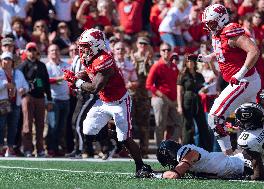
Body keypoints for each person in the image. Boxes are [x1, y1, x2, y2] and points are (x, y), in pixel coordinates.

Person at [63, 28, 152, 176]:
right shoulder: (91, 56)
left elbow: (95, 87)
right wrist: (79, 75)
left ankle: (141, 166)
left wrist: (77, 82)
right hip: (104, 101)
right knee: (88, 131)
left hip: (120, 102)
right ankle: (112, 140)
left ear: (96, 45)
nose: (82, 48)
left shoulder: (105, 59)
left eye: (86, 45)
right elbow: (91, 73)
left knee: (125, 138)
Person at [195, 4, 261, 155]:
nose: (209, 26)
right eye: (207, 23)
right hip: (246, 81)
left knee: (215, 118)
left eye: (211, 22)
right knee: (250, 123)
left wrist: (240, 73)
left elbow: (254, 51)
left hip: (244, 81)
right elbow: (222, 50)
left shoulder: (230, 30)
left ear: (221, 19)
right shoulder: (218, 33)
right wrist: (207, 58)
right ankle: (253, 158)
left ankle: (228, 157)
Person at [151, 140, 255, 179]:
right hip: (240, 163)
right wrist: (152, 172)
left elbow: (174, 174)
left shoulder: (184, 152)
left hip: (245, 164)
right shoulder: (186, 150)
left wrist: (153, 175)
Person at [18, 42, 53, 157]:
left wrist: (49, 99)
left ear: (37, 52)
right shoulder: (22, 66)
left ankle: (40, 149)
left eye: (34, 50)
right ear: (26, 52)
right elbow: (20, 83)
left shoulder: (42, 65)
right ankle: (28, 149)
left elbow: (46, 83)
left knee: (40, 125)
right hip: (28, 97)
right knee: (27, 124)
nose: (32, 53)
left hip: (40, 97)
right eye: (30, 50)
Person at [146, 42, 181, 147]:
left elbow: (178, 83)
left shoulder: (174, 66)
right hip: (160, 99)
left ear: (171, 51)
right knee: (160, 125)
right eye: (163, 50)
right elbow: (149, 85)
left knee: (179, 124)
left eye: (168, 50)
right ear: (160, 52)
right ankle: (160, 149)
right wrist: (161, 95)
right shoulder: (156, 66)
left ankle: (170, 146)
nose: (166, 52)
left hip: (173, 100)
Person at [177, 54, 211, 151]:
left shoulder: (199, 75)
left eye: (192, 61)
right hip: (187, 101)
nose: (190, 63)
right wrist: (179, 106)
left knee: (203, 125)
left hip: (198, 100)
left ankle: (206, 149)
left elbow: (204, 88)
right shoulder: (182, 75)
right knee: (187, 125)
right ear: (185, 63)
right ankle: (186, 149)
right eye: (188, 61)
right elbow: (179, 92)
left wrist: (205, 90)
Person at [0, 52, 29, 157]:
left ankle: (10, 148)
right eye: (4, 59)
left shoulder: (18, 73)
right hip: (2, 103)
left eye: (9, 59)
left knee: (13, 127)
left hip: (15, 103)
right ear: (1, 61)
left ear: (12, 62)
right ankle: (0, 148)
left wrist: (23, 89)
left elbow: (26, 86)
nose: (6, 61)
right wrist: (5, 84)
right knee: (1, 126)